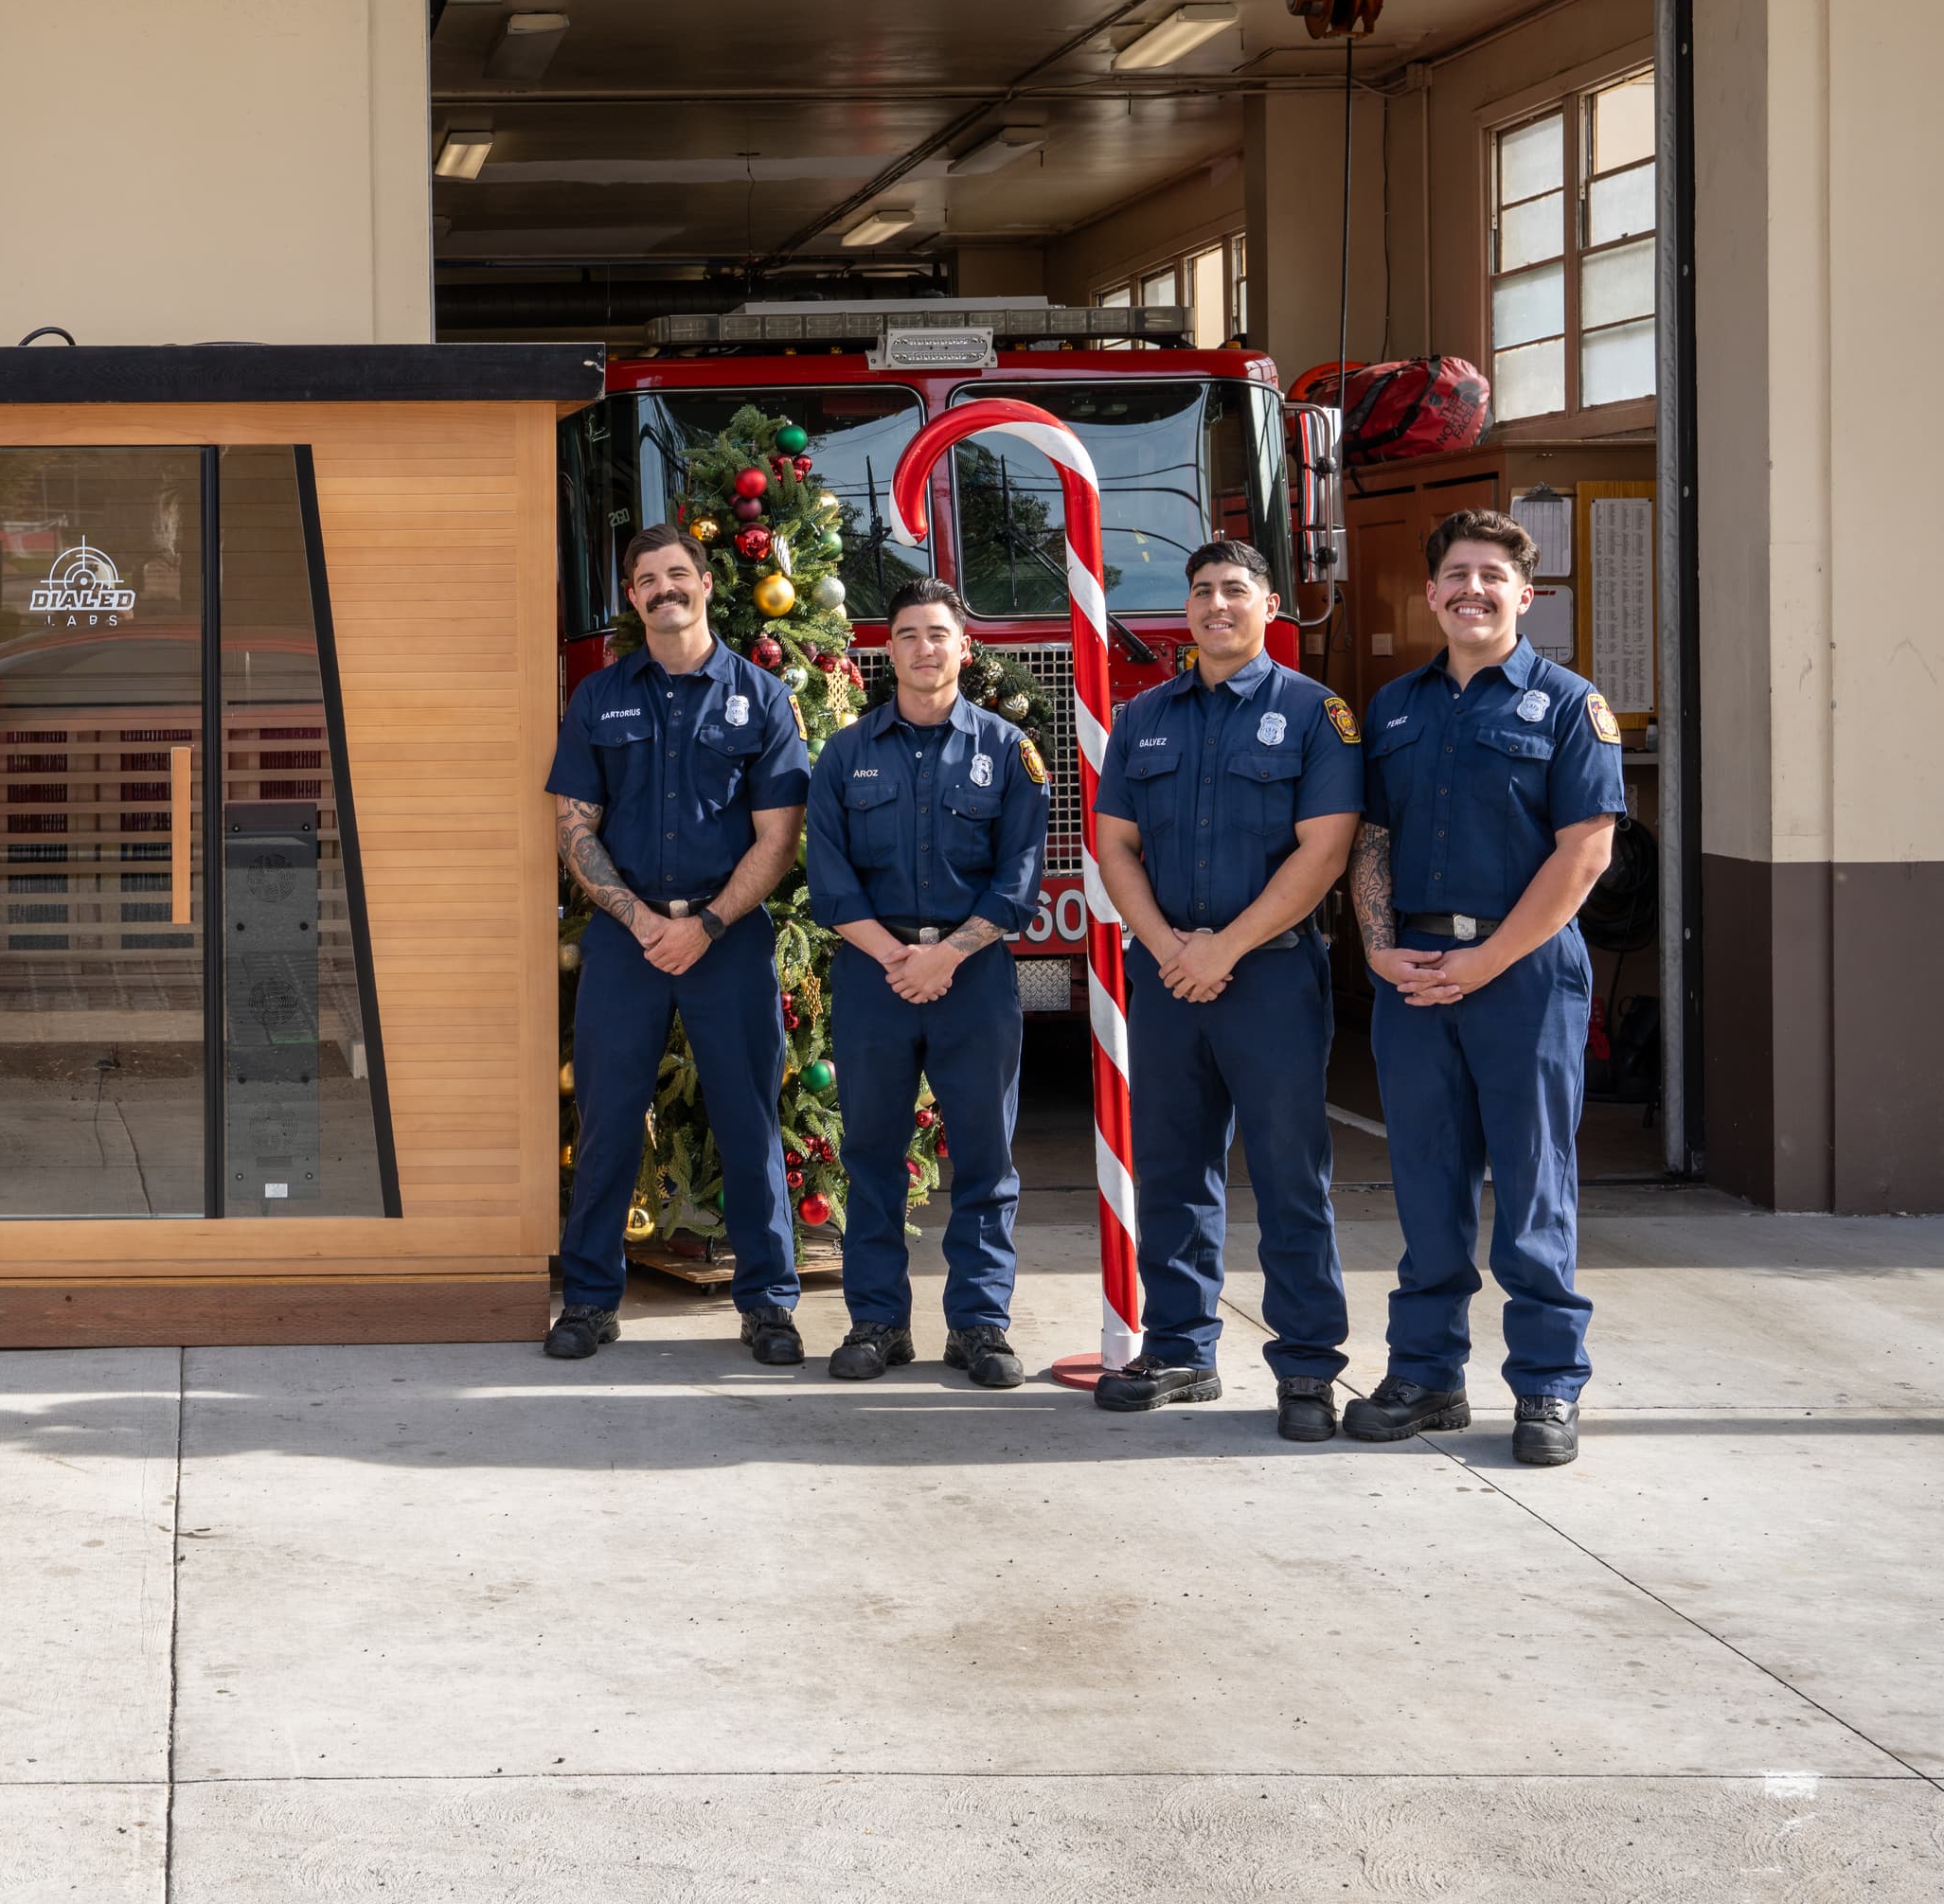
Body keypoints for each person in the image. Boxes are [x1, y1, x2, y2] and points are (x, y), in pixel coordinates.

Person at [1345, 509, 1622, 1468]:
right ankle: (1426, 1375)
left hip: (1525, 979)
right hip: (1415, 974)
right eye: (1455, 571)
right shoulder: (1391, 708)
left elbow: (1586, 851)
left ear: (1524, 593)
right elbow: (1371, 837)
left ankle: (1547, 1387)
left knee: (1535, 1188)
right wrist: (1380, 950)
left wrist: (1490, 959)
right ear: (1430, 594)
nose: (1473, 587)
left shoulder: (1569, 705)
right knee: (1426, 1187)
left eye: (1492, 574)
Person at [1087, 538, 1364, 1440]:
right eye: (1202, 591)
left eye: (1235, 591)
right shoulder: (1145, 718)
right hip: (1167, 977)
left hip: (1272, 978)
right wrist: (1171, 947)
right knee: (1172, 1168)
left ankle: (1308, 1370)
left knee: (1290, 1175)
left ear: (1270, 605)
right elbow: (1115, 844)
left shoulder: (1317, 715)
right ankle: (1180, 1350)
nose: (1216, 605)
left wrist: (1225, 950)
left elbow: (1324, 852)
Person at [544, 525, 812, 1365]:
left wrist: (704, 926)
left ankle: (768, 1304)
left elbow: (778, 835)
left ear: (704, 583)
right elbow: (573, 826)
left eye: (677, 574)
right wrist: (641, 922)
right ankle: (589, 1300)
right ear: (633, 597)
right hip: (626, 942)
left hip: (726, 937)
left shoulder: (762, 699)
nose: (664, 589)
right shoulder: (599, 697)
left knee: (748, 1121)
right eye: (647, 579)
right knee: (608, 1120)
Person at [799, 578, 1045, 1387]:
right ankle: (877, 1323)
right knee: (870, 1152)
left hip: (973, 976)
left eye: (938, 633)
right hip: (875, 974)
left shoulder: (1008, 753)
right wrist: (900, 958)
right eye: (907, 634)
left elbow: (1017, 880)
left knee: (984, 1155)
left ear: (962, 648)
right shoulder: (845, 754)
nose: (923, 648)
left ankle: (979, 1325)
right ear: (890, 650)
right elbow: (831, 884)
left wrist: (946, 957)